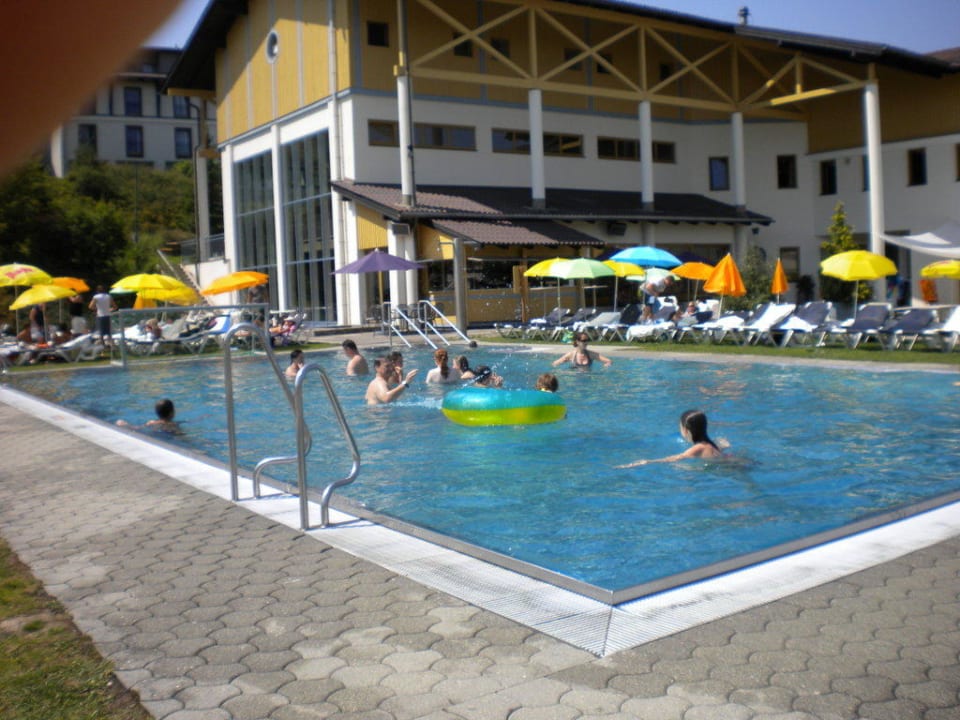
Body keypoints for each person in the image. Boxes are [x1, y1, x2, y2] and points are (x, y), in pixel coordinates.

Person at [617, 409, 724, 467]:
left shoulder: (698, 448)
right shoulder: (711, 444)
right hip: (724, 463)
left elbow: (676, 458)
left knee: (682, 467)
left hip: (725, 468)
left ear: (686, 431)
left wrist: (648, 461)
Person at [116, 398, 181, 433]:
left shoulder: (152, 422)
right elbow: (179, 435)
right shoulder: (172, 425)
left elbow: (137, 428)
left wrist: (126, 425)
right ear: (171, 413)